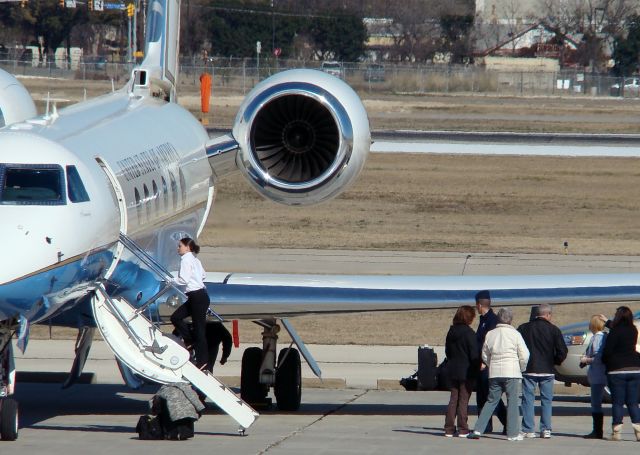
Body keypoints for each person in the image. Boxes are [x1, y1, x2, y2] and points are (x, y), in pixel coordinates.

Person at [467, 307, 530, 441]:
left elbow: (485, 354)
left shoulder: (490, 334)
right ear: (511, 320)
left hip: (495, 372)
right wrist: (521, 367)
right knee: (512, 402)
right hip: (511, 372)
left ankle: (478, 429)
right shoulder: (515, 334)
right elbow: (524, 354)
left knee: (491, 401)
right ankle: (512, 433)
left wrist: (491, 363)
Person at [517, 303, 568, 439]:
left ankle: (528, 429)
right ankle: (546, 429)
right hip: (547, 369)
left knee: (528, 399)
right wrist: (555, 361)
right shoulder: (554, 330)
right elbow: (562, 351)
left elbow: (517, 347)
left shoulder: (523, 328)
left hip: (529, 368)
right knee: (547, 400)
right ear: (548, 314)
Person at [601, 306, 640, 441]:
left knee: (618, 402)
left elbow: (608, 350)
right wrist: (607, 322)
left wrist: (605, 361)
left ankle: (617, 431)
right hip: (635, 367)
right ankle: (638, 430)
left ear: (618, 316)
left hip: (617, 369)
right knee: (633, 402)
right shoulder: (633, 330)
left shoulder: (615, 331)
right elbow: (622, 332)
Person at [170, 237, 210, 369]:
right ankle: (189, 341)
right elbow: (203, 275)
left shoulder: (186, 260)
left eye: (180, 246)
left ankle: (203, 361)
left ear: (187, 247)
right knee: (176, 317)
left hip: (197, 296)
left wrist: (170, 280)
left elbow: (183, 280)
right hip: (197, 296)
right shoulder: (195, 259)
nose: (178, 248)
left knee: (199, 330)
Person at [443, 305, 479, 437]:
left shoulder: (451, 331)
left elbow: (447, 351)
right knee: (463, 400)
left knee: (453, 399)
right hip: (466, 371)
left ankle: (449, 428)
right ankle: (463, 428)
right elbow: (474, 354)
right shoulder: (469, 333)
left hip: (453, 369)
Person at [474, 290, 507, 433]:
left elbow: (491, 345)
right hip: (481, 365)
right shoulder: (483, 320)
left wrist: (485, 361)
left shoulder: (492, 321)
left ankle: (508, 422)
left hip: (488, 365)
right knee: (482, 397)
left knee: (492, 398)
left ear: (480, 305)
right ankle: (485, 426)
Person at [580, 314, 608, 439]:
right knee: (596, 402)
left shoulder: (597, 338)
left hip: (597, 374)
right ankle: (597, 430)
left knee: (596, 403)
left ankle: (597, 431)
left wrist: (586, 359)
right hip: (600, 374)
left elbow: (597, 357)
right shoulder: (604, 337)